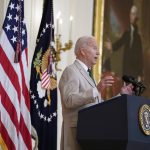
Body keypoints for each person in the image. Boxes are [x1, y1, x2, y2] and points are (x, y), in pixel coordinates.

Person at [59, 36, 133, 150]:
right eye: (94, 48)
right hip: (76, 136)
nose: (98, 53)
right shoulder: (71, 71)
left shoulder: (89, 75)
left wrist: (121, 96)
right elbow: (69, 100)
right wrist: (96, 90)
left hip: (90, 135)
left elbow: (98, 107)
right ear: (82, 51)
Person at [105, 5, 143, 80]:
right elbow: (120, 42)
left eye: (134, 14)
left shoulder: (138, 37)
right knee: (126, 89)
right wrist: (112, 46)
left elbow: (140, 56)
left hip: (135, 70)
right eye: (131, 14)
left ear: (137, 17)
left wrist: (140, 73)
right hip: (127, 69)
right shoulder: (127, 33)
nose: (132, 16)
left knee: (133, 90)